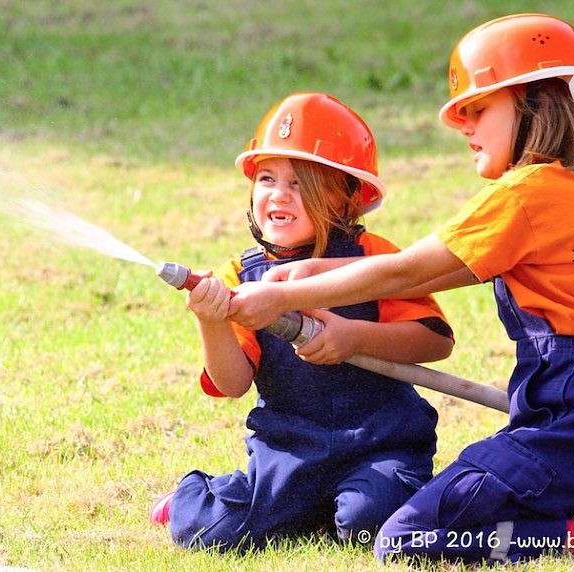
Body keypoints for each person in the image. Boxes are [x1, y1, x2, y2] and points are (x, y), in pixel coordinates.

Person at [229, 14, 574, 563]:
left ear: (531, 103)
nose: (463, 127)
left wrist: (282, 296)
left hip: (569, 426)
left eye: (477, 110)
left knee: (405, 540)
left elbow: (408, 272)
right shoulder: (566, 190)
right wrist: (316, 274)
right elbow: (442, 272)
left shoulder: (526, 193)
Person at [150, 92, 455, 551]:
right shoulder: (243, 277)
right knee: (209, 533)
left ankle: (339, 506)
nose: (278, 194)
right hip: (291, 450)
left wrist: (354, 336)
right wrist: (211, 322)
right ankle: (196, 498)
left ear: (348, 196)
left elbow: (435, 340)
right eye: (267, 178)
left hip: (380, 445)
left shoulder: (375, 260)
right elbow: (231, 383)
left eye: (300, 183)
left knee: (370, 522)